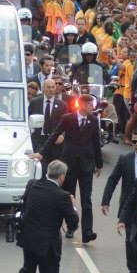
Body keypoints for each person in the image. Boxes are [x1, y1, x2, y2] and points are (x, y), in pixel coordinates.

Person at [3, 160, 79, 273]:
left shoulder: (32, 185)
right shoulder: (62, 196)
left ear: (47, 172)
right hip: (48, 246)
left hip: (29, 240)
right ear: (62, 177)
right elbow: (73, 223)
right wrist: (72, 206)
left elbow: (25, 206)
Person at [34, 94, 103, 244]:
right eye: (90, 105)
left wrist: (99, 164)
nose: (92, 107)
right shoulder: (68, 118)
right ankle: (71, 227)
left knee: (86, 199)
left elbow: (96, 143)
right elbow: (55, 135)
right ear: (82, 105)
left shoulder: (93, 120)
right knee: (68, 197)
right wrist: (41, 153)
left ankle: (87, 232)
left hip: (86, 164)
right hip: (69, 164)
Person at [101, 128, 137, 273]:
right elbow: (113, 179)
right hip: (130, 207)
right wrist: (106, 200)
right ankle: (133, 272)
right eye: (134, 142)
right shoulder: (125, 159)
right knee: (131, 240)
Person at [27, 78, 66, 157]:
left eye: (53, 87)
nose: (51, 89)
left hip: (54, 141)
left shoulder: (62, 105)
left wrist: (62, 135)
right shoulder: (35, 102)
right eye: (48, 87)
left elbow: (65, 124)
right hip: (38, 140)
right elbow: (28, 120)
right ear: (43, 88)